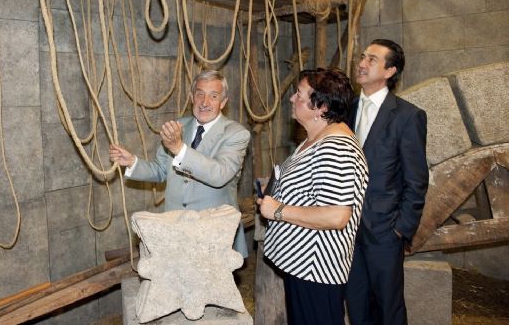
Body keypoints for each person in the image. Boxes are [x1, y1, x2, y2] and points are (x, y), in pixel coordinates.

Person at [257, 68, 368, 325]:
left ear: (321, 107)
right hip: (302, 267)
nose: (292, 99)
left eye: (299, 94)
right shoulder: (316, 139)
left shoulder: (337, 149)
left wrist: (278, 210)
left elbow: (337, 215)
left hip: (316, 270)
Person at [109, 70, 251, 256]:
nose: (205, 102)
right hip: (176, 227)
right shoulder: (179, 126)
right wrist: (132, 162)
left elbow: (220, 175)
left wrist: (179, 148)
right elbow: (161, 170)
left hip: (214, 232)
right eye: (199, 94)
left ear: (223, 102)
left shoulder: (236, 133)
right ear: (192, 97)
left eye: (213, 96)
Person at [346, 39, 429, 325]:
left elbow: (416, 179)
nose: (362, 63)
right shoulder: (346, 110)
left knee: (388, 307)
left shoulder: (408, 116)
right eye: (362, 57)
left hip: (384, 230)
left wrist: (401, 229)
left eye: (372, 59)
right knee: (356, 304)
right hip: (345, 228)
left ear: (390, 71)